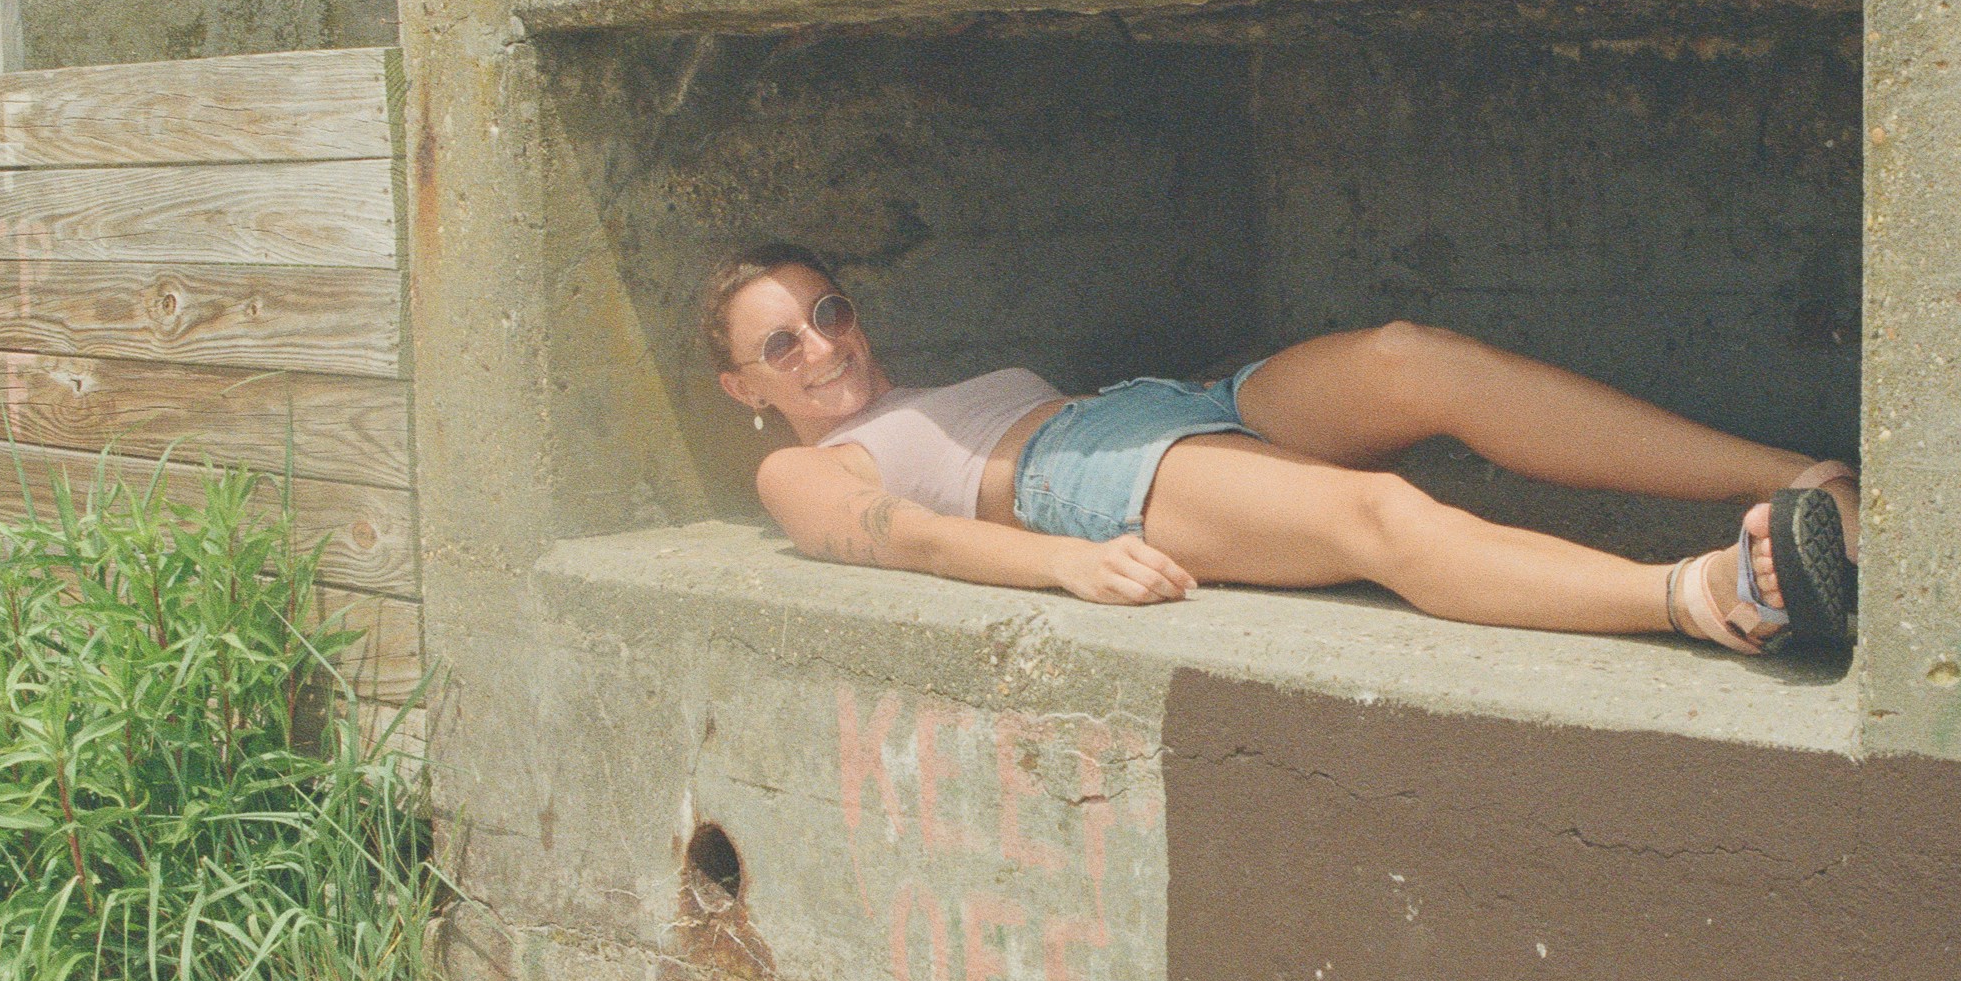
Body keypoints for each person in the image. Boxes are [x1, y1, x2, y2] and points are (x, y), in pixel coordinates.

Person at [705, 245, 1858, 652]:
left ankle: (1803, 482)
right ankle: (1710, 598)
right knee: (1379, 517)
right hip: (1087, 479)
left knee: (1416, 358)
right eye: (780, 340)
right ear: (743, 386)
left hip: (1162, 404)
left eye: (829, 310)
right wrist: (1062, 563)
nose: (819, 344)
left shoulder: (922, 387)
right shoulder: (794, 464)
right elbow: (897, 539)